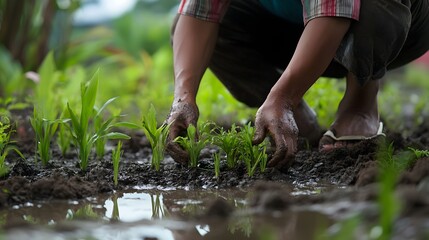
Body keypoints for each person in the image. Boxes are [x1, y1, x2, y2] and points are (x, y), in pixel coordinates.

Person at [165, 0, 429, 169]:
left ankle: (360, 101)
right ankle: (294, 117)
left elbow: (333, 8)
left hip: (395, 18)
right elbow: (199, 11)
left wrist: (284, 97)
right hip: (298, 26)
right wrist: (183, 99)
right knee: (189, 24)